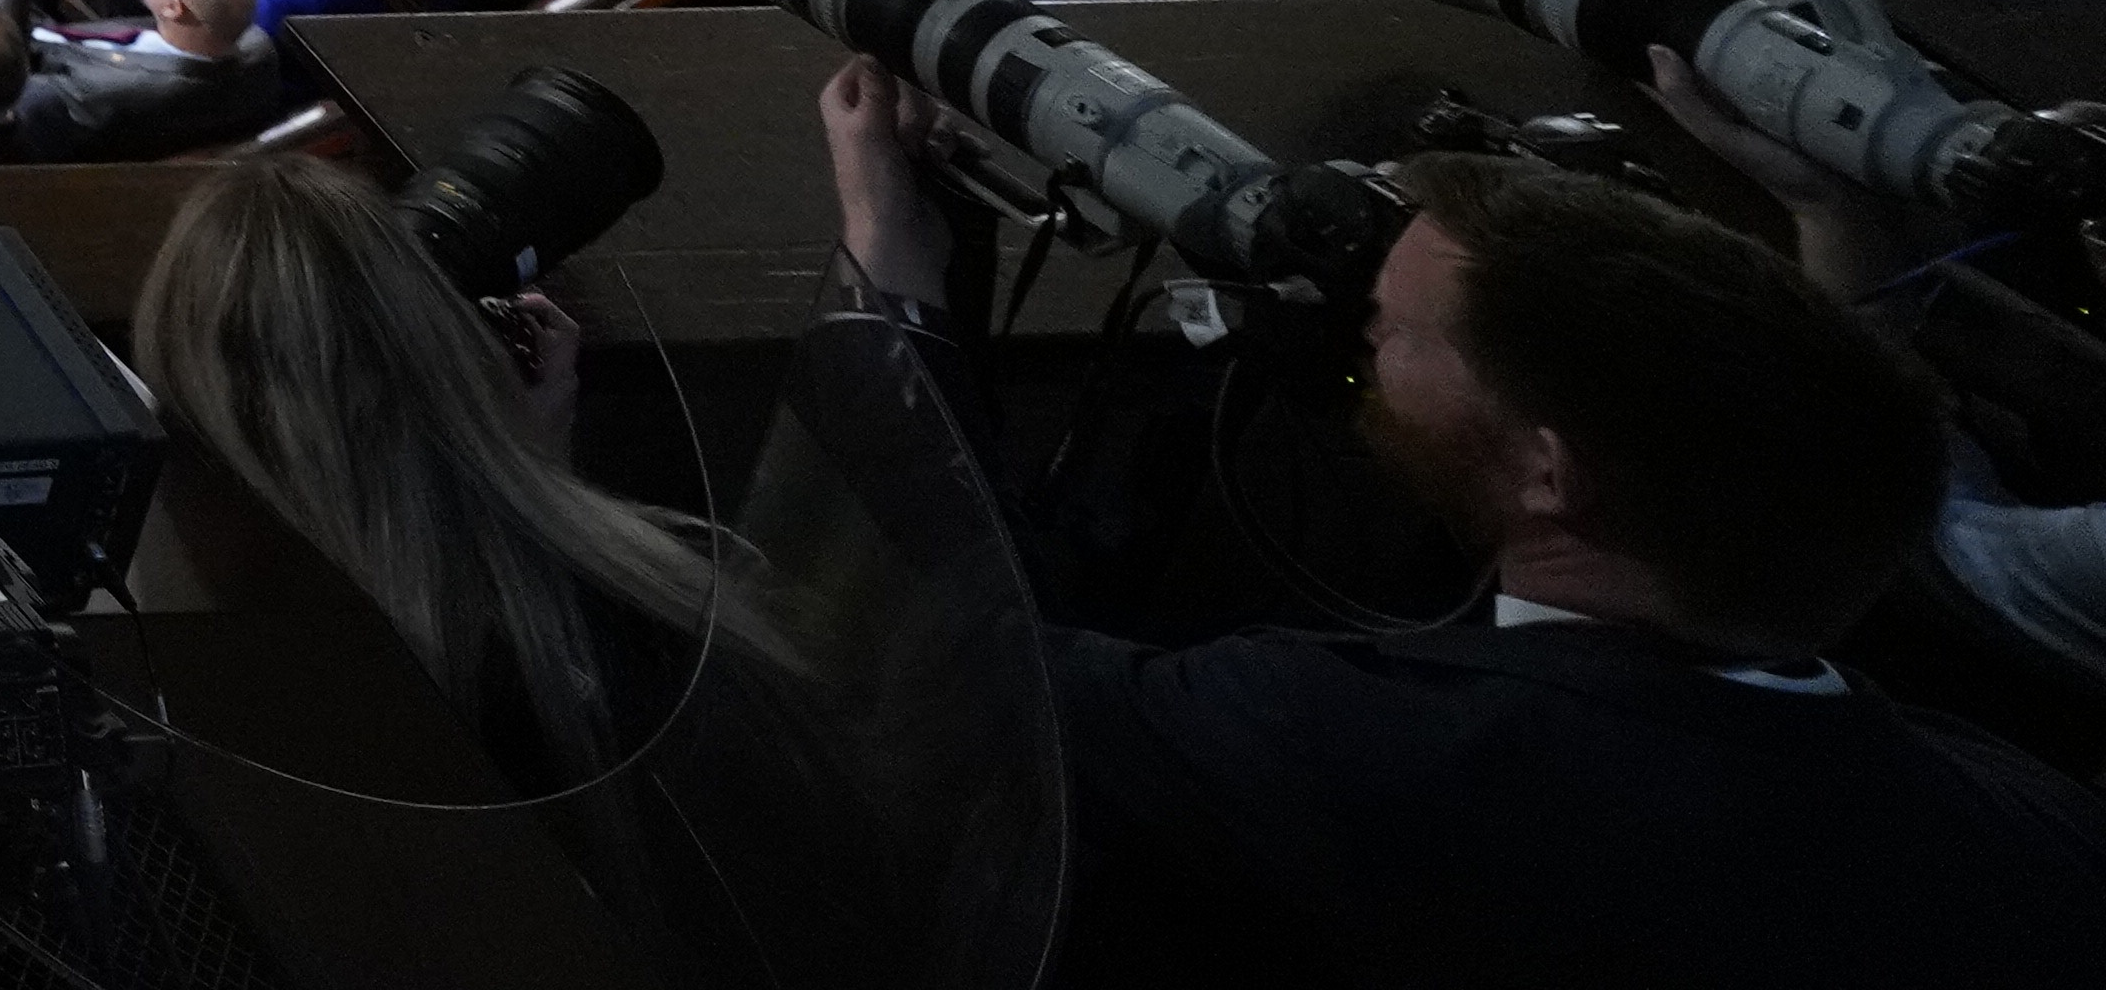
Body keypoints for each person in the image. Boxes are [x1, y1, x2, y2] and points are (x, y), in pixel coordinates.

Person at [827, 66, 2102, 957]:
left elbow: (957, 667)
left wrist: (891, 274)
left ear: (1550, 474)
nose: (1353, 333)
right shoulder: (2020, 813)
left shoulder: (1354, 741)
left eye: (1383, 326)